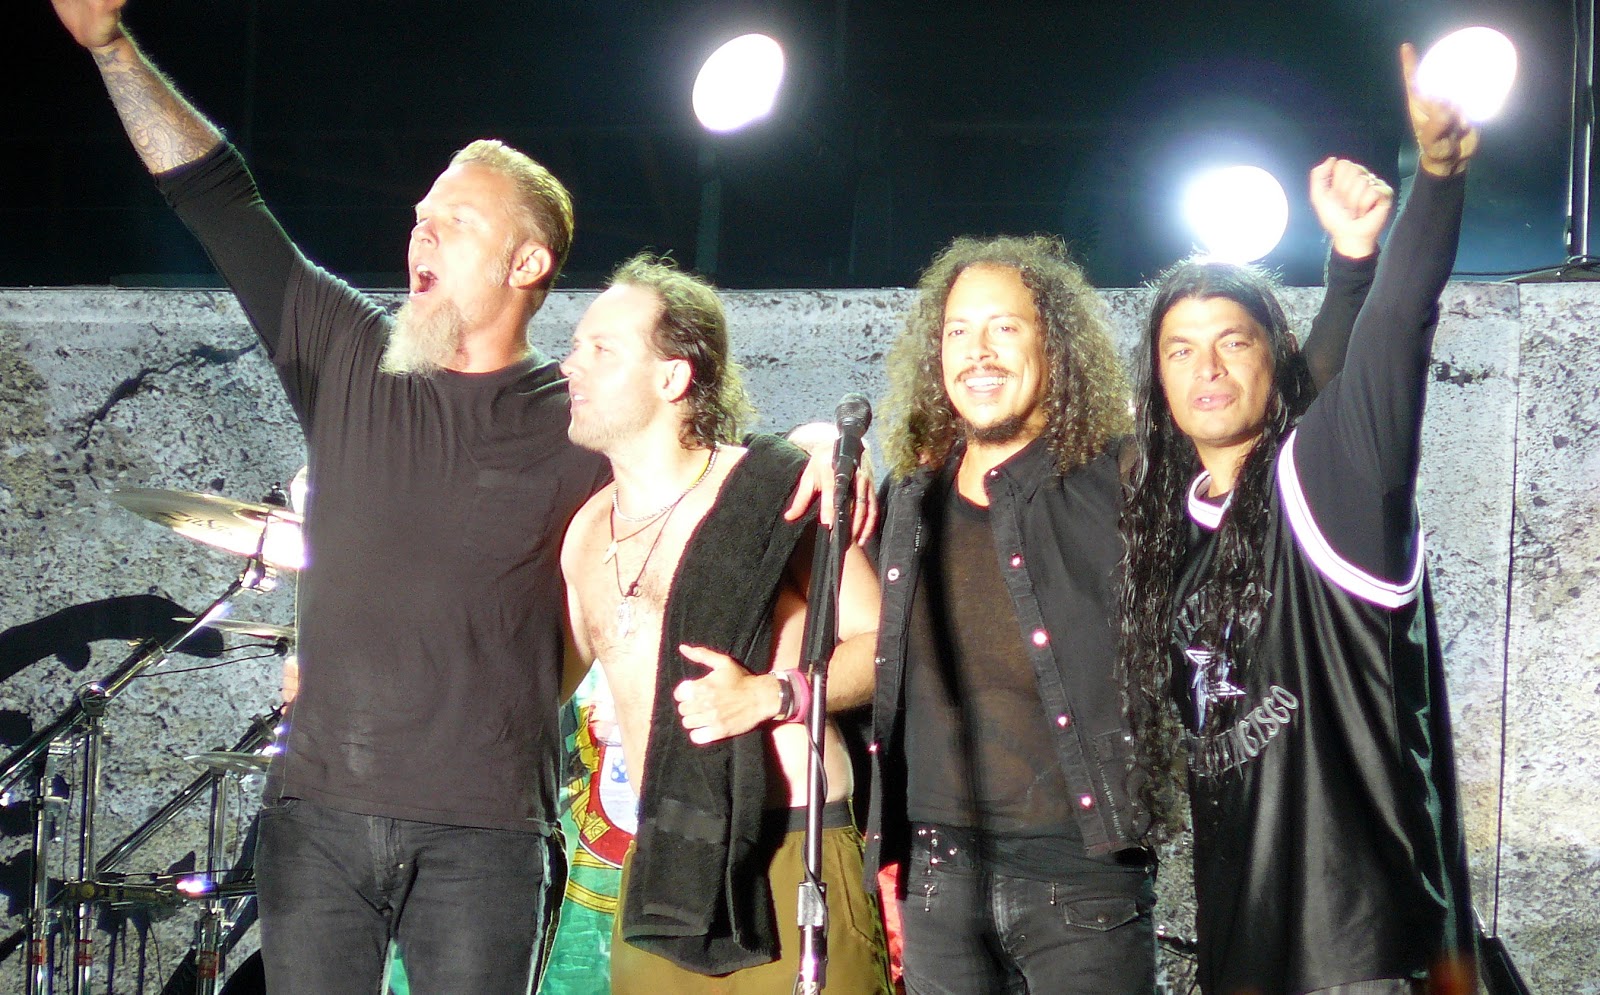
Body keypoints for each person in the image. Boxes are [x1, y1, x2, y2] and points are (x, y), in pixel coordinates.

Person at [862, 158, 1391, 991]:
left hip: (1083, 880)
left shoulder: (1123, 475)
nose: (978, 352)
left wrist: (1352, 267)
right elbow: (857, 646)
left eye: (1004, 328)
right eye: (959, 332)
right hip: (934, 884)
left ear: (1055, 344)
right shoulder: (906, 495)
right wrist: (811, 451)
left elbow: (1284, 414)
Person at [1117, 46, 1479, 994]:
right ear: (1157, 383)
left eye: (1233, 343)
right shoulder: (1184, 525)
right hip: (1248, 958)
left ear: (1270, 360)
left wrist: (1437, 177)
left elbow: (1394, 334)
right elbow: (1303, 378)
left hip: (1365, 962)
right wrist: (1347, 264)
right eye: (1180, 350)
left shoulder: (1330, 488)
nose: (1207, 369)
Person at [559, 254, 892, 994]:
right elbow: (533, 683)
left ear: (673, 377)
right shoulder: (584, 535)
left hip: (792, 845)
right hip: (665, 864)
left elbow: (888, 647)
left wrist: (775, 693)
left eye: (601, 349)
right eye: (576, 346)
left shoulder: (779, 491)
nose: (570, 365)